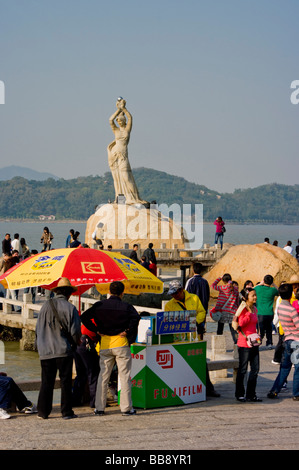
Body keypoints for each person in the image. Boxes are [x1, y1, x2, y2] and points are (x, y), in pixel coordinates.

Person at [80, 281, 140, 416]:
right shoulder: (126, 306)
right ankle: (126, 408)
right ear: (122, 292)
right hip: (121, 343)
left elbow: (84, 317)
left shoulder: (100, 305)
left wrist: (96, 330)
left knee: (103, 376)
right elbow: (136, 318)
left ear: (109, 291)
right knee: (124, 376)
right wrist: (128, 331)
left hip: (105, 344)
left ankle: (99, 407)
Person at [35, 277, 81, 419]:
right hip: (63, 350)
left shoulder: (45, 306)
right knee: (65, 382)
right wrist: (76, 343)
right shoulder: (70, 308)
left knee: (46, 382)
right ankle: (66, 412)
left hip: (45, 350)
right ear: (69, 294)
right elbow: (74, 332)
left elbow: (37, 328)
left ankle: (43, 412)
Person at [165, 280, 220, 397]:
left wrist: (195, 322)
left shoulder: (194, 298)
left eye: (175, 293)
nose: (173, 296)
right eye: (172, 294)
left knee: (201, 362)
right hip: (179, 340)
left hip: (195, 337)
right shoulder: (169, 305)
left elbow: (202, 312)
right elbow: (167, 321)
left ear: (181, 290)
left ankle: (209, 389)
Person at [107, 98, 146, 204]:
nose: (118, 121)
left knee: (126, 176)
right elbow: (110, 120)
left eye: (120, 120)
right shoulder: (116, 130)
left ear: (123, 120)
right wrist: (118, 110)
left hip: (123, 156)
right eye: (118, 120)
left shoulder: (127, 129)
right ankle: (118, 197)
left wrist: (123, 109)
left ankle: (134, 198)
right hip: (114, 155)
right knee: (117, 178)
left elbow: (130, 117)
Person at [267, 283, 299, 400]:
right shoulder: (292, 310)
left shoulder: (280, 307)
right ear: (291, 294)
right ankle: (296, 393)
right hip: (296, 342)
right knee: (297, 369)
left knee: (285, 368)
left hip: (286, 340)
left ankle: (275, 390)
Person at [235, 288, 262, 402]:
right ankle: (240, 394)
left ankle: (251, 394)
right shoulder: (242, 310)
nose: (255, 297)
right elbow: (240, 324)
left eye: (255, 295)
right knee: (243, 370)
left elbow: (255, 324)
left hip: (254, 342)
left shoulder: (254, 309)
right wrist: (249, 314)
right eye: (252, 296)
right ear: (246, 298)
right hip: (244, 343)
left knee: (255, 369)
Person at [211, 274, 239, 344]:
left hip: (223, 312)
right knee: (233, 330)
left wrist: (219, 277)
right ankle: (237, 344)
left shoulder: (222, 287)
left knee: (220, 329)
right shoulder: (236, 289)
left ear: (223, 280)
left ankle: (218, 344)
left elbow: (213, 285)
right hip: (232, 312)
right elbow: (237, 301)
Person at [254, 275, 279, 349]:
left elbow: (250, 290)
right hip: (270, 313)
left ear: (263, 281)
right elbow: (280, 292)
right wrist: (273, 284)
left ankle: (257, 343)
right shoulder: (273, 290)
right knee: (269, 329)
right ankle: (269, 343)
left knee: (260, 331)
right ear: (271, 282)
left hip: (260, 313)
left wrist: (259, 284)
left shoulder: (258, 288)